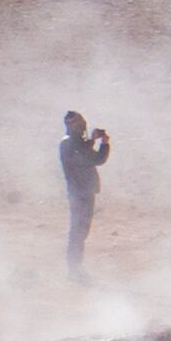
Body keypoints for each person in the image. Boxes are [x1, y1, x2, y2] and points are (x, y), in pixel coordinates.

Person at [55, 109, 111, 277]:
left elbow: (82, 151)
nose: (83, 126)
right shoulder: (70, 144)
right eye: (79, 123)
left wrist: (92, 140)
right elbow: (96, 159)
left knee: (80, 231)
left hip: (81, 193)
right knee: (78, 231)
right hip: (80, 194)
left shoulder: (71, 143)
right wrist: (104, 144)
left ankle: (75, 267)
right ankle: (74, 269)